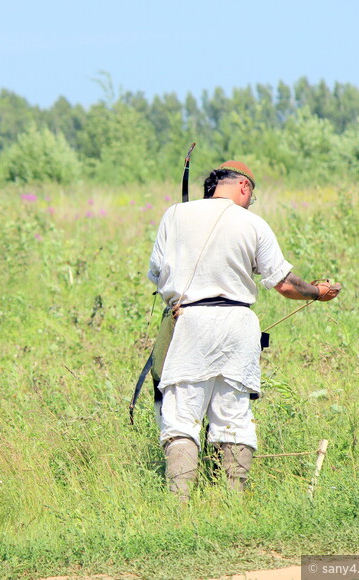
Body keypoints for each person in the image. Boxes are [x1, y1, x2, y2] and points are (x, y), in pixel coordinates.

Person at [146, 160, 341, 501]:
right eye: (252, 196)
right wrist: (317, 292)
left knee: (181, 418)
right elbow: (284, 284)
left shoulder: (174, 215)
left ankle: (178, 507)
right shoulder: (253, 223)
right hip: (238, 325)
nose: (250, 202)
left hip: (188, 321)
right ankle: (232, 504)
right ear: (244, 187)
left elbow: (158, 274)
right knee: (233, 418)